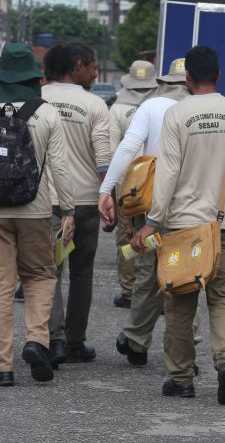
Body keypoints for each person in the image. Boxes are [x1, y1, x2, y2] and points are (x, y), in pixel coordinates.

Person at [130, 46, 225, 404]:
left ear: (188, 79)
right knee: (224, 298)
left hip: (180, 229)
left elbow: (167, 173)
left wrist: (152, 221)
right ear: (220, 76)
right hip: (224, 227)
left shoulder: (177, 114)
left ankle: (181, 379)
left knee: (180, 303)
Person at [98, 58, 188, 366]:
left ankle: (136, 339)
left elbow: (125, 149)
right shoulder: (213, 110)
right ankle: (187, 346)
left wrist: (106, 190)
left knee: (148, 270)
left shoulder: (151, 107)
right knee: (185, 272)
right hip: (192, 206)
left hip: (150, 202)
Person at [0, 44, 75, 386]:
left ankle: (4, 367)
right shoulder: (46, 113)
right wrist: (69, 210)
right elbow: (60, 167)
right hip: (36, 209)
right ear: (34, 77)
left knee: (1, 286)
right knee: (41, 277)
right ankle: (36, 340)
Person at [43, 42, 111, 367]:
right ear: (79, 64)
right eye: (93, 66)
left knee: (49, 273)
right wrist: (107, 194)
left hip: (47, 202)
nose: (96, 72)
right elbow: (103, 159)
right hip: (84, 201)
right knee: (81, 273)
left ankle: (51, 341)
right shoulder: (95, 104)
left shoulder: (36, 99)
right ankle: (74, 342)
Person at [109, 60, 160, 309]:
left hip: (127, 186)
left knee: (128, 237)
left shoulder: (117, 109)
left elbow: (111, 150)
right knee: (157, 235)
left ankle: (129, 291)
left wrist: (107, 189)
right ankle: (160, 288)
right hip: (156, 183)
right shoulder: (162, 107)